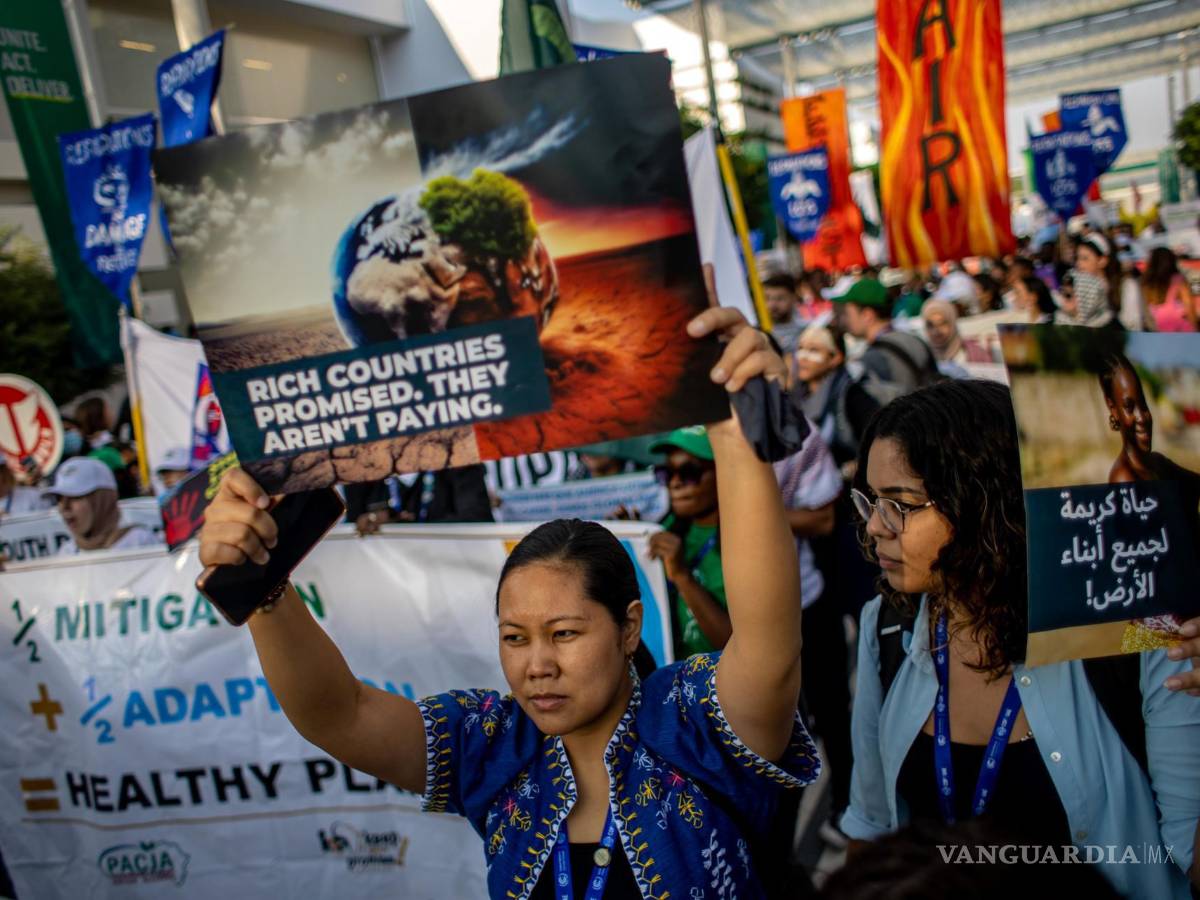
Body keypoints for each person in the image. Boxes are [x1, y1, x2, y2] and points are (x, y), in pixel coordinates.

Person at [197, 307, 820, 900]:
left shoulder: (695, 723)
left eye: (565, 634)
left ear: (629, 627)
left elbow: (768, 645)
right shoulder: (492, 745)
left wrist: (734, 437)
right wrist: (263, 585)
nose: (536, 665)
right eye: (514, 637)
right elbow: (341, 715)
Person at [840, 379, 1200, 899]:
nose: (874, 525)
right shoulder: (887, 627)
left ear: (984, 500)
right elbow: (872, 826)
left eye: (900, 503)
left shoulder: (1136, 628)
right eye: (870, 500)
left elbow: (1190, 850)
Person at [1098, 353, 1200, 654]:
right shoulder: (1123, 482)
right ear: (1112, 409)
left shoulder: (1157, 464)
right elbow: (1143, 580)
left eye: (1143, 404)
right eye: (1130, 406)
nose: (1142, 417)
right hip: (1167, 641)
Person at [647, 426, 730, 658]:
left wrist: (682, 576)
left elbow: (736, 645)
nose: (674, 483)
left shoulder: (744, 540)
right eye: (666, 472)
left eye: (689, 472)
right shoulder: (671, 528)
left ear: (723, 472)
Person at [836, 278, 941, 396]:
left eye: (848, 314)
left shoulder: (872, 358)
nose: (844, 320)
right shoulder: (915, 339)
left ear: (867, 315)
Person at [794, 323, 878, 469]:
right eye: (800, 348)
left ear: (835, 358)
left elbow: (877, 443)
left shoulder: (852, 395)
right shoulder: (795, 396)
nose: (803, 357)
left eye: (814, 350)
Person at [42, 457, 160, 554]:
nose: (64, 507)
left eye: (76, 496)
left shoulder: (139, 542)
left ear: (102, 501)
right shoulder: (68, 552)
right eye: (59, 499)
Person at [346, 465, 494, 535]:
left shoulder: (459, 461)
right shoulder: (361, 468)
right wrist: (371, 521)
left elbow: (478, 521)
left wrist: (408, 528)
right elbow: (353, 526)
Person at [920, 299, 991, 372]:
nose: (936, 331)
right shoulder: (922, 359)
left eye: (942, 323)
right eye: (930, 325)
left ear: (952, 323)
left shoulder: (976, 353)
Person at [1061, 234, 1116, 328]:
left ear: (1102, 260)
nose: (1079, 264)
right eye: (1077, 258)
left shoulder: (1121, 287)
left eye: (1085, 259)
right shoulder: (1075, 285)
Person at [1142, 247, 1198, 332]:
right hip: (1184, 331)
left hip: (1163, 333)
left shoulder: (1147, 285)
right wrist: (1197, 330)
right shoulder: (1178, 280)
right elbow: (1189, 309)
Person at [762, 270, 805, 358]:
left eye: (780, 298)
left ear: (794, 298)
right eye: (767, 298)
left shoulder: (806, 331)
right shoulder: (760, 333)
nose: (772, 305)